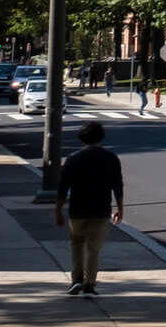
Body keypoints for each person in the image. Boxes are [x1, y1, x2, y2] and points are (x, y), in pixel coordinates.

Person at [53, 122, 125, 297]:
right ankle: (89, 283)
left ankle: (76, 280)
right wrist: (120, 209)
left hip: (77, 210)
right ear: (101, 137)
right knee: (93, 248)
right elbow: (118, 186)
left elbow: (63, 187)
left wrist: (58, 210)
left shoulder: (73, 159)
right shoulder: (111, 158)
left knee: (76, 245)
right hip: (101, 210)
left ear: (82, 138)